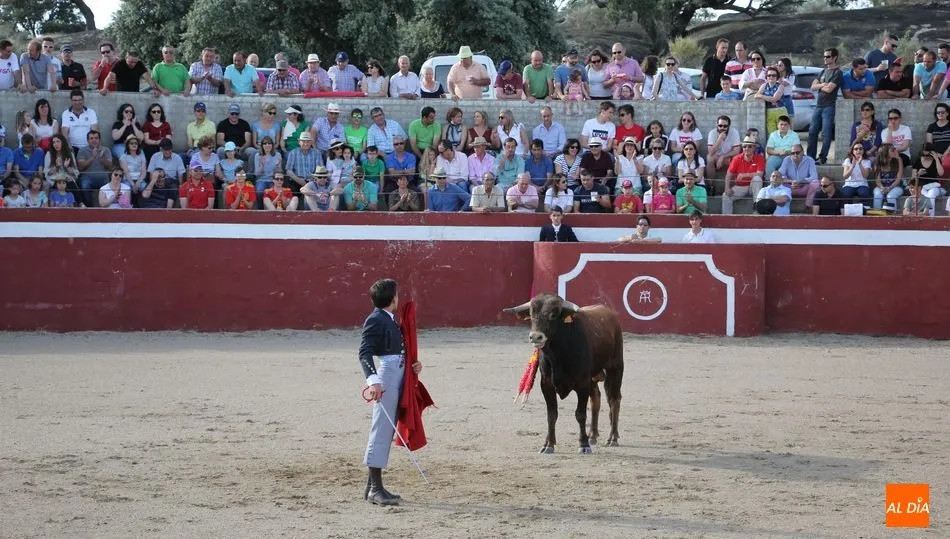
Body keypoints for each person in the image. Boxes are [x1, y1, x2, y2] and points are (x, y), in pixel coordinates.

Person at [359, 279, 422, 507]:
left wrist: (412, 365)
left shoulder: (388, 319)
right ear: (392, 298)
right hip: (386, 378)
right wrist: (373, 381)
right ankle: (376, 489)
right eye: (397, 295)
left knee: (386, 429)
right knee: (382, 429)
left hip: (397, 375)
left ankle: (370, 488)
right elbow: (364, 352)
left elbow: (397, 350)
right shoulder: (375, 319)